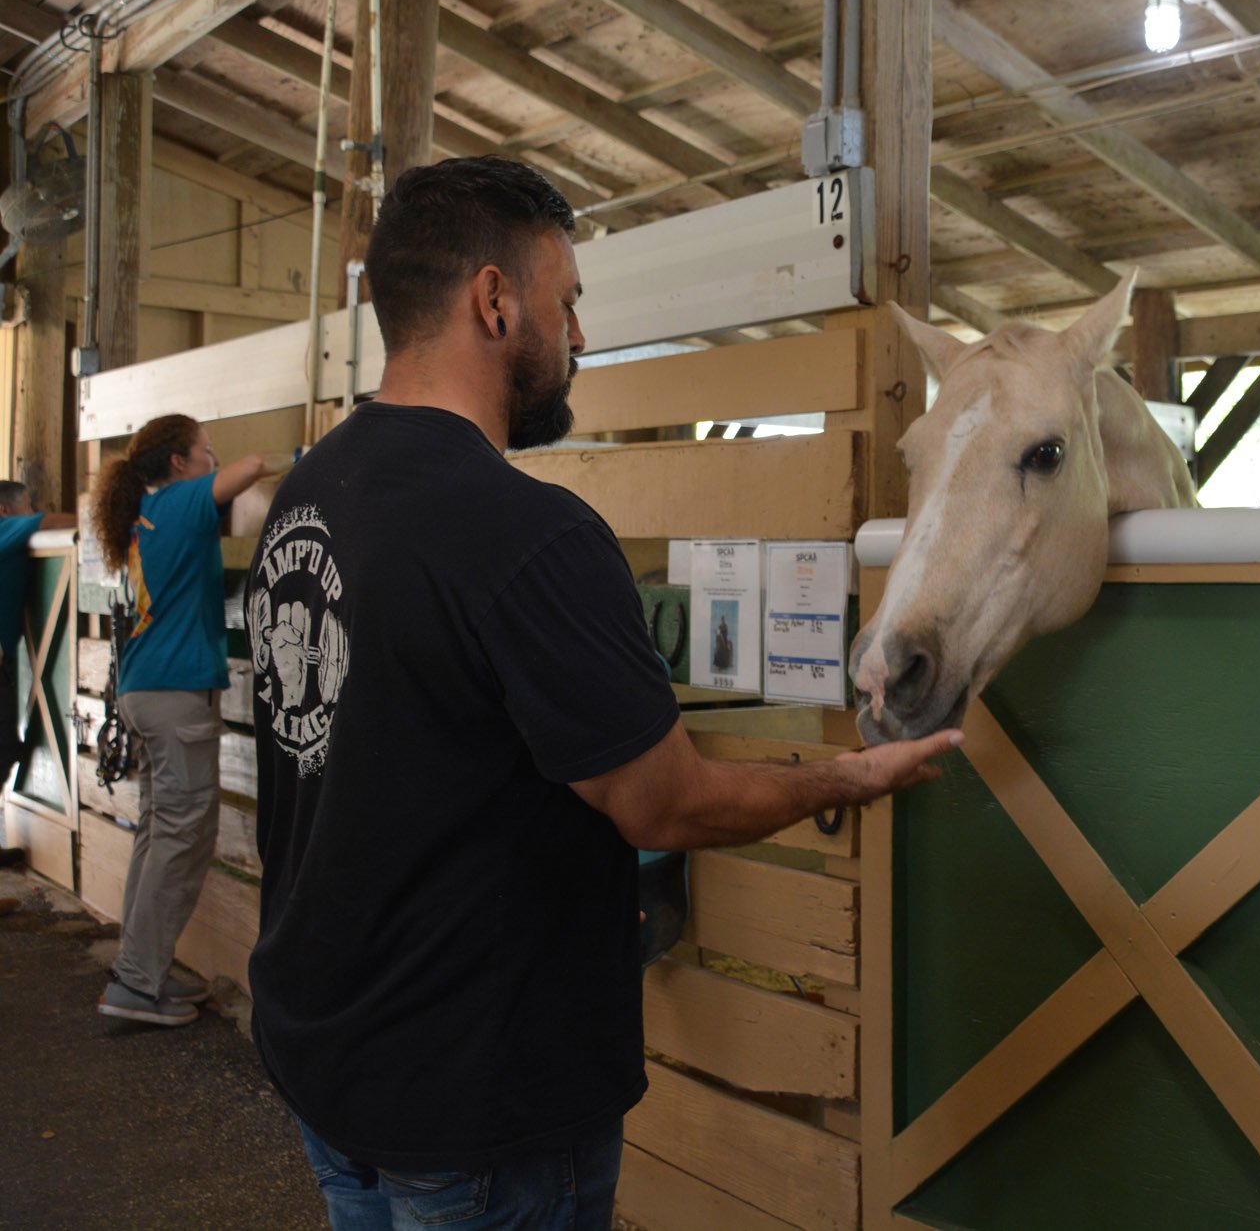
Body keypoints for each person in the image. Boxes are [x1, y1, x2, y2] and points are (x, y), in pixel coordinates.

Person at [246, 155, 958, 1230]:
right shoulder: (530, 533)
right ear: (495, 300)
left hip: (330, 1054)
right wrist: (851, 773)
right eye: (566, 302)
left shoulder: (309, 491)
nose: (578, 337)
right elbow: (664, 805)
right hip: (479, 1096)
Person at [91, 417, 285, 1027]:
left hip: (145, 690)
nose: (214, 458)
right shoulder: (178, 501)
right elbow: (252, 467)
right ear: (178, 462)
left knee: (157, 834)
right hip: (176, 696)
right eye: (205, 450)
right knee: (177, 838)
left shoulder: (144, 514)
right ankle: (135, 983)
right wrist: (318, 447)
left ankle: (139, 968)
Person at [0, 482, 76, 869]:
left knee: (8, 749)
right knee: (4, 750)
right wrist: (92, 523)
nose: (33, 510)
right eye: (27, 505)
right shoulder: (4, 529)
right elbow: (48, 522)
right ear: (6, 510)